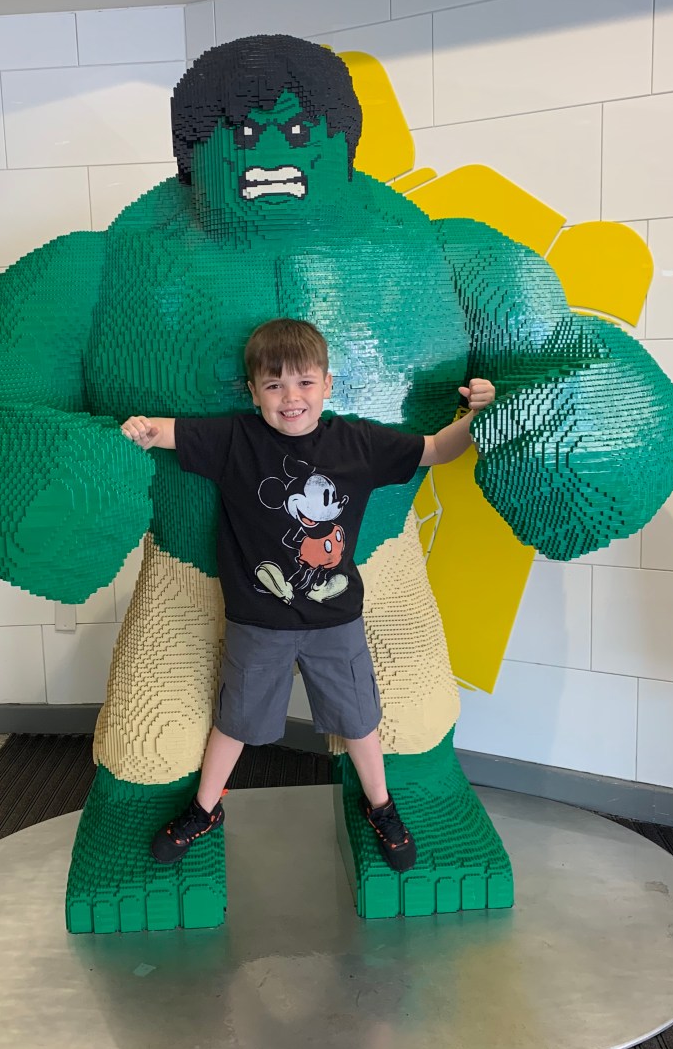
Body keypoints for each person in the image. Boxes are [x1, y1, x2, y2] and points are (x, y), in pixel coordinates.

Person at [120, 317, 495, 874]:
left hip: (334, 619)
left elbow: (438, 449)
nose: (290, 398)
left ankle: (382, 806)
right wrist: (142, 429)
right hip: (258, 620)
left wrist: (477, 415)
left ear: (327, 384)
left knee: (360, 720)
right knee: (235, 721)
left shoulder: (358, 442)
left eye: (304, 383)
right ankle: (204, 809)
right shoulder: (236, 439)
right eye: (274, 386)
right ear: (254, 393)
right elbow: (164, 432)